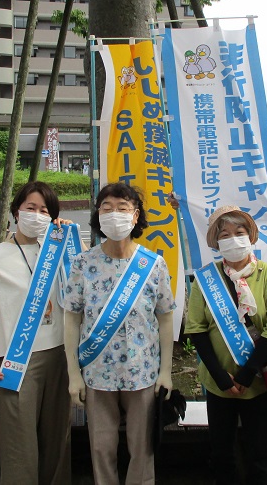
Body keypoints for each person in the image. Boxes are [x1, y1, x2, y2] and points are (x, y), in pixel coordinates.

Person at [62, 182, 175, 485]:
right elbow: (71, 319)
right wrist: (74, 373)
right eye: (106, 208)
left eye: (122, 209)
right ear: (97, 215)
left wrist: (166, 371)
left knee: (142, 447)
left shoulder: (153, 264)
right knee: (101, 447)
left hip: (143, 372)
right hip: (97, 372)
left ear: (136, 216)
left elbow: (165, 319)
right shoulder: (83, 264)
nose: (114, 215)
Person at [0, 181, 73, 485]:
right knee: (19, 444)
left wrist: (65, 238)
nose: (37, 214)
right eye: (31, 208)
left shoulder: (57, 252)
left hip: (58, 354)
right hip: (15, 360)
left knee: (58, 440)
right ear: (17, 211)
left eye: (45, 210)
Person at [185, 205, 267, 485]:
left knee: (259, 454)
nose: (233, 239)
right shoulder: (206, 279)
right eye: (225, 234)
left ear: (251, 237)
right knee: (221, 454)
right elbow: (196, 330)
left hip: (258, 382)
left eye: (239, 232)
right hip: (218, 382)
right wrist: (221, 377)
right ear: (216, 242)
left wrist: (246, 374)